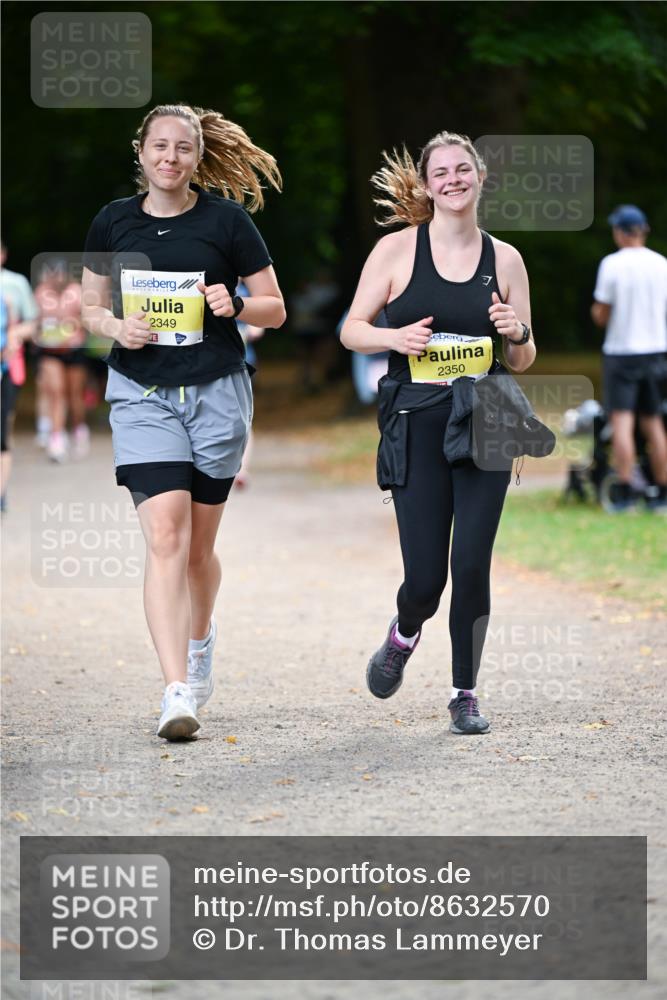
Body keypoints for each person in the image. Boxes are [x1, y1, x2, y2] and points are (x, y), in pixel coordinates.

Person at [81, 103, 285, 740]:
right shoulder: (112, 221)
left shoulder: (228, 222)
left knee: (198, 550)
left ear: (198, 158)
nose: (170, 158)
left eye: (183, 149)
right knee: (165, 537)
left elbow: (275, 309)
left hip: (217, 393)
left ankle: (201, 643)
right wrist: (118, 326)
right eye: (159, 147)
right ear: (140, 152)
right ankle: (175, 690)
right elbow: (89, 308)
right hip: (142, 392)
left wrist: (238, 303)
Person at [341, 134, 536, 735]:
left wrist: (517, 331)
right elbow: (352, 329)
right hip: (417, 421)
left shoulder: (505, 260)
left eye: (463, 169)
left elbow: (524, 358)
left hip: (488, 416)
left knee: (472, 562)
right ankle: (403, 634)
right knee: (427, 578)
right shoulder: (397, 252)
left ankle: (465, 692)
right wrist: (393, 339)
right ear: (426, 186)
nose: (453, 180)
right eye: (441, 172)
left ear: (479, 177)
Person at [591, 205, 667, 513]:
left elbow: (602, 312)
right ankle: (661, 492)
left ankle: (624, 490)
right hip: (656, 351)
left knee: (622, 423)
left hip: (622, 353)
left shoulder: (612, 264)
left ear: (621, 232)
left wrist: (598, 314)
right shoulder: (661, 263)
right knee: (654, 423)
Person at [33, 260, 90, 462]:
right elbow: (34, 321)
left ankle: (79, 427)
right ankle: (56, 439)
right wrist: (38, 333)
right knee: (56, 392)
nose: (55, 278)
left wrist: (73, 326)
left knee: (74, 395)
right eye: (52, 274)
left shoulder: (77, 291)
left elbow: (89, 318)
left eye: (59, 274)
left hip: (73, 349)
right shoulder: (41, 293)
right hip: (49, 350)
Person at [0, 241, 39, 509]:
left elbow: (32, 323)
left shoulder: (15, 284)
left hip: (6, 367)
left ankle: (1, 493)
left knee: (3, 431)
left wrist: (15, 335)